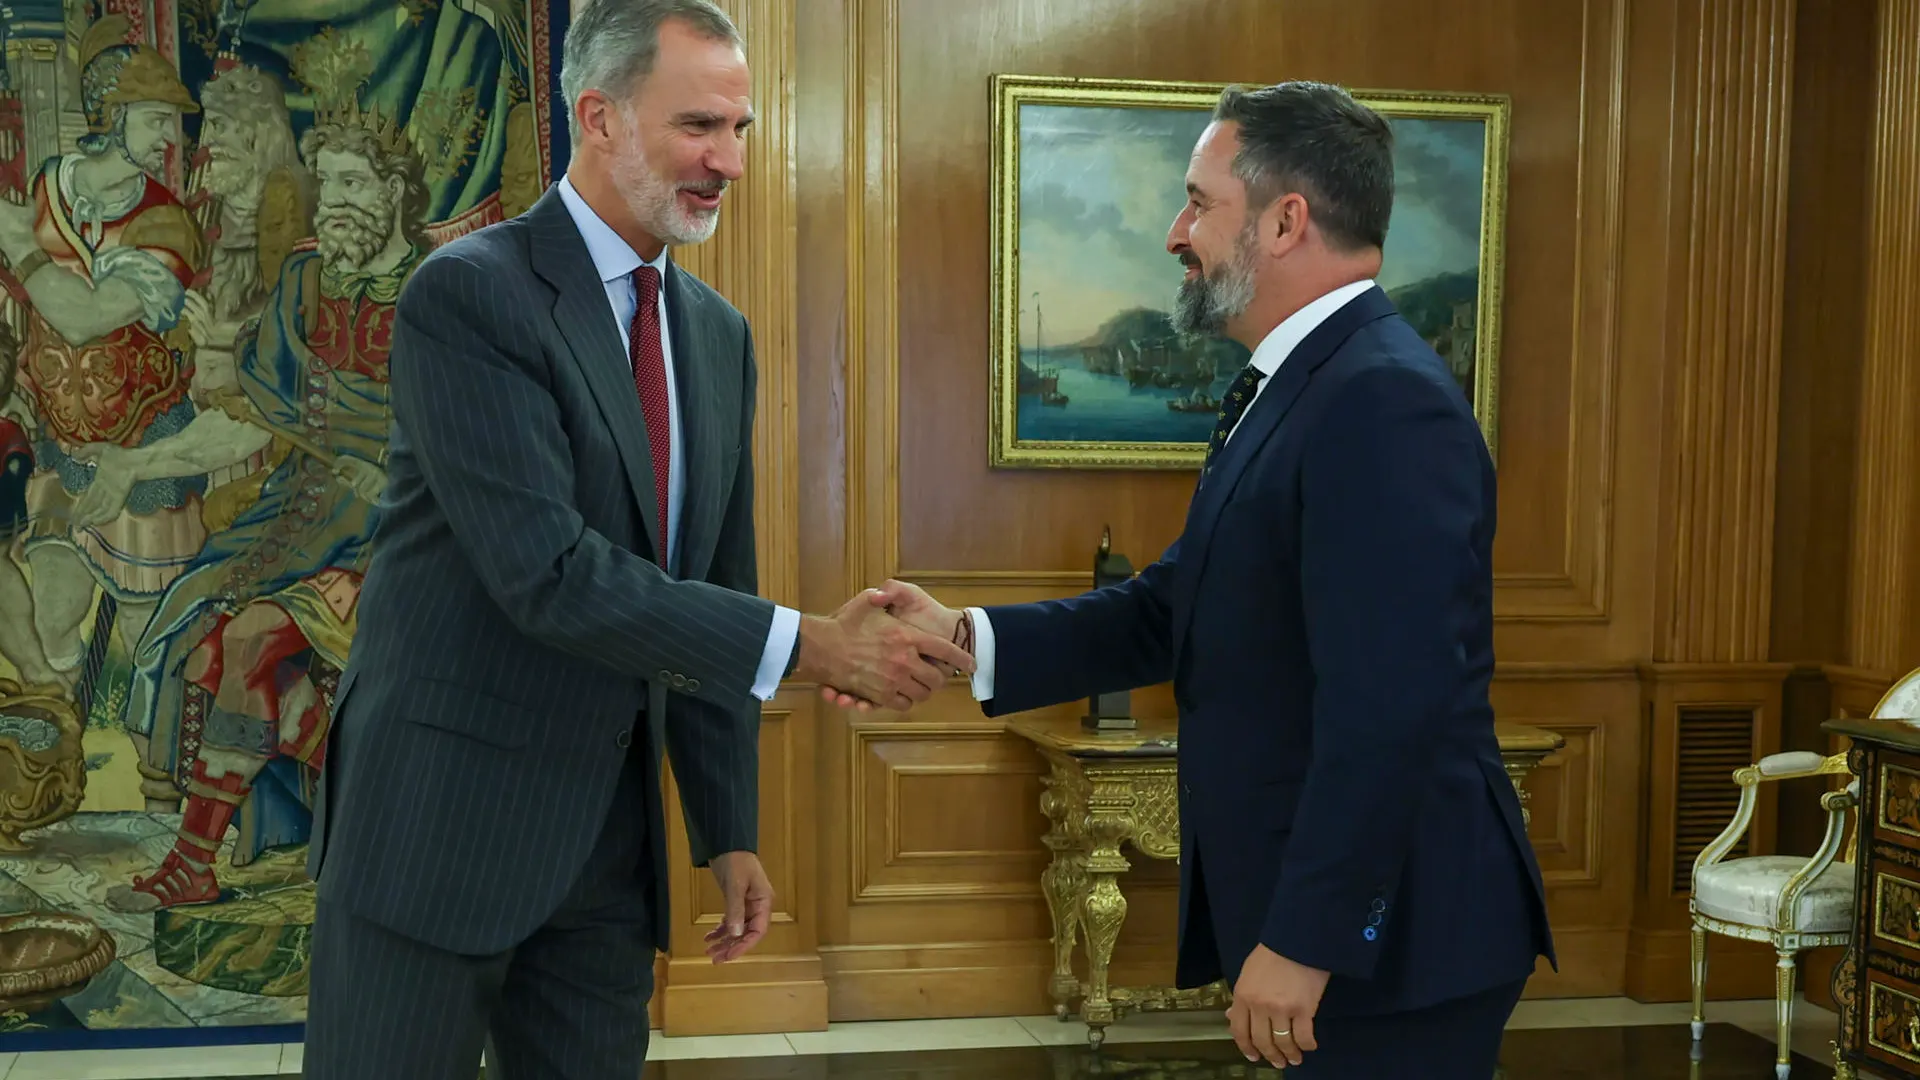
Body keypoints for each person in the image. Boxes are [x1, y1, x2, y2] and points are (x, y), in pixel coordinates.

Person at [301, 3, 971, 1077]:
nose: (730, 162)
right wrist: (813, 644)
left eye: (741, 131)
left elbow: (712, 576)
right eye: (701, 126)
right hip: (435, 833)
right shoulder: (468, 299)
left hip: (608, 857)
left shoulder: (716, 335)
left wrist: (726, 827)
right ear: (598, 118)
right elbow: (551, 576)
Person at [838, 81, 1555, 1078]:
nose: (1178, 232)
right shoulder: (1295, 386)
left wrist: (1309, 937)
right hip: (1365, 934)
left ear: (1286, 219)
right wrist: (966, 638)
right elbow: (1174, 607)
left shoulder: (1383, 399)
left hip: (1397, 941)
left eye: (1199, 201)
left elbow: (1392, 706)